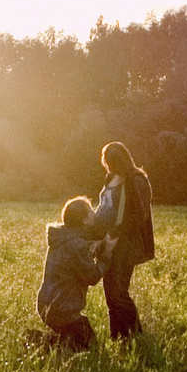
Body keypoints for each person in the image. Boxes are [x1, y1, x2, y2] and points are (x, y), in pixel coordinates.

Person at [87, 140, 154, 340]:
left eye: (111, 161)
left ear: (121, 160)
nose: (107, 165)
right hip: (107, 240)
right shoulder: (111, 178)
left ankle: (136, 335)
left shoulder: (136, 180)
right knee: (110, 293)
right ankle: (116, 335)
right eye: (106, 160)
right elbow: (104, 206)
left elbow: (138, 216)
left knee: (119, 292)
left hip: (125, 243)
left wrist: (114, 234)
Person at [34, 195, 106, 349]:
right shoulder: (75, 245)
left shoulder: (63, 236)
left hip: (48, 303)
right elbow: (92, 276)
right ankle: (37, 340)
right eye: (91, 212)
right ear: (85, 220)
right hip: (62, 309)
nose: (95, 213)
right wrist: (107, 255)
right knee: (88, 346)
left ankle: (44, 341)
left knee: (79, 340)